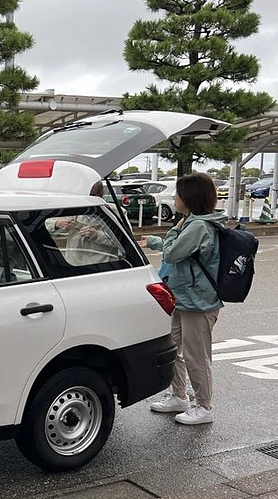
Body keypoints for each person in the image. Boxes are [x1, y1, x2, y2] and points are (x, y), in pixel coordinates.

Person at [138, 172, 225, 425]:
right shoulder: (190, 221)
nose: (174, 197)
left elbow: (174, 253)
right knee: (174, 348)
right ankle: (179, 395)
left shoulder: (198, 225)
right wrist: (164, 239)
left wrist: (168, 238)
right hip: (183, 296)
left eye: (178, 193)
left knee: (197, 355)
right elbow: (173, 249)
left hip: (199, 301)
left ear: (190, 197)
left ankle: (204, 406)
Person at [48, 181, 120, 265]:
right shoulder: (72, 209)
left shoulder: (116, 212)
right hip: (74, 264)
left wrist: (97, 235)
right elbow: (43, 225)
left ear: (100, 195)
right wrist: (57, 223)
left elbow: (123, 240)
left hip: (104, 264)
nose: (86, 200)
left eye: (92, 196)